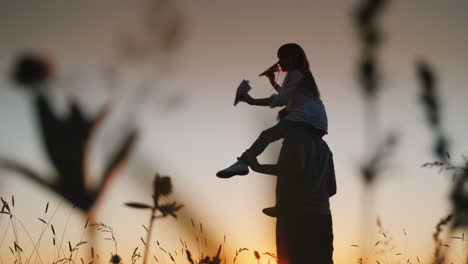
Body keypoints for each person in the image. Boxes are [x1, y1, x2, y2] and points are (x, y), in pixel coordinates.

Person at [216, 43, 328, 179]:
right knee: (267, 136)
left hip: (305, 118)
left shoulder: (295, 73)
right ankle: (243, 163)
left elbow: (282, 99)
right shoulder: (301, 75)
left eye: (282, 58)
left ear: (292, 57)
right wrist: (272, 81)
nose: (279, 62)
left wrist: (252, 101)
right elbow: (288, 96)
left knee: (266, 136)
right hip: (314, 121)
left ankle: (243, 163)